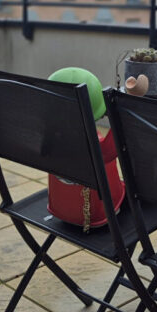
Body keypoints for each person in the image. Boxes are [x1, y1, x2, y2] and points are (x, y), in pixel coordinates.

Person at [46, 67, 125, 232]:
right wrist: (119, 117)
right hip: (93, 213)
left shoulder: (50, 136)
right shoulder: (92, 146)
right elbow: (111, 150)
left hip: (60, 207)